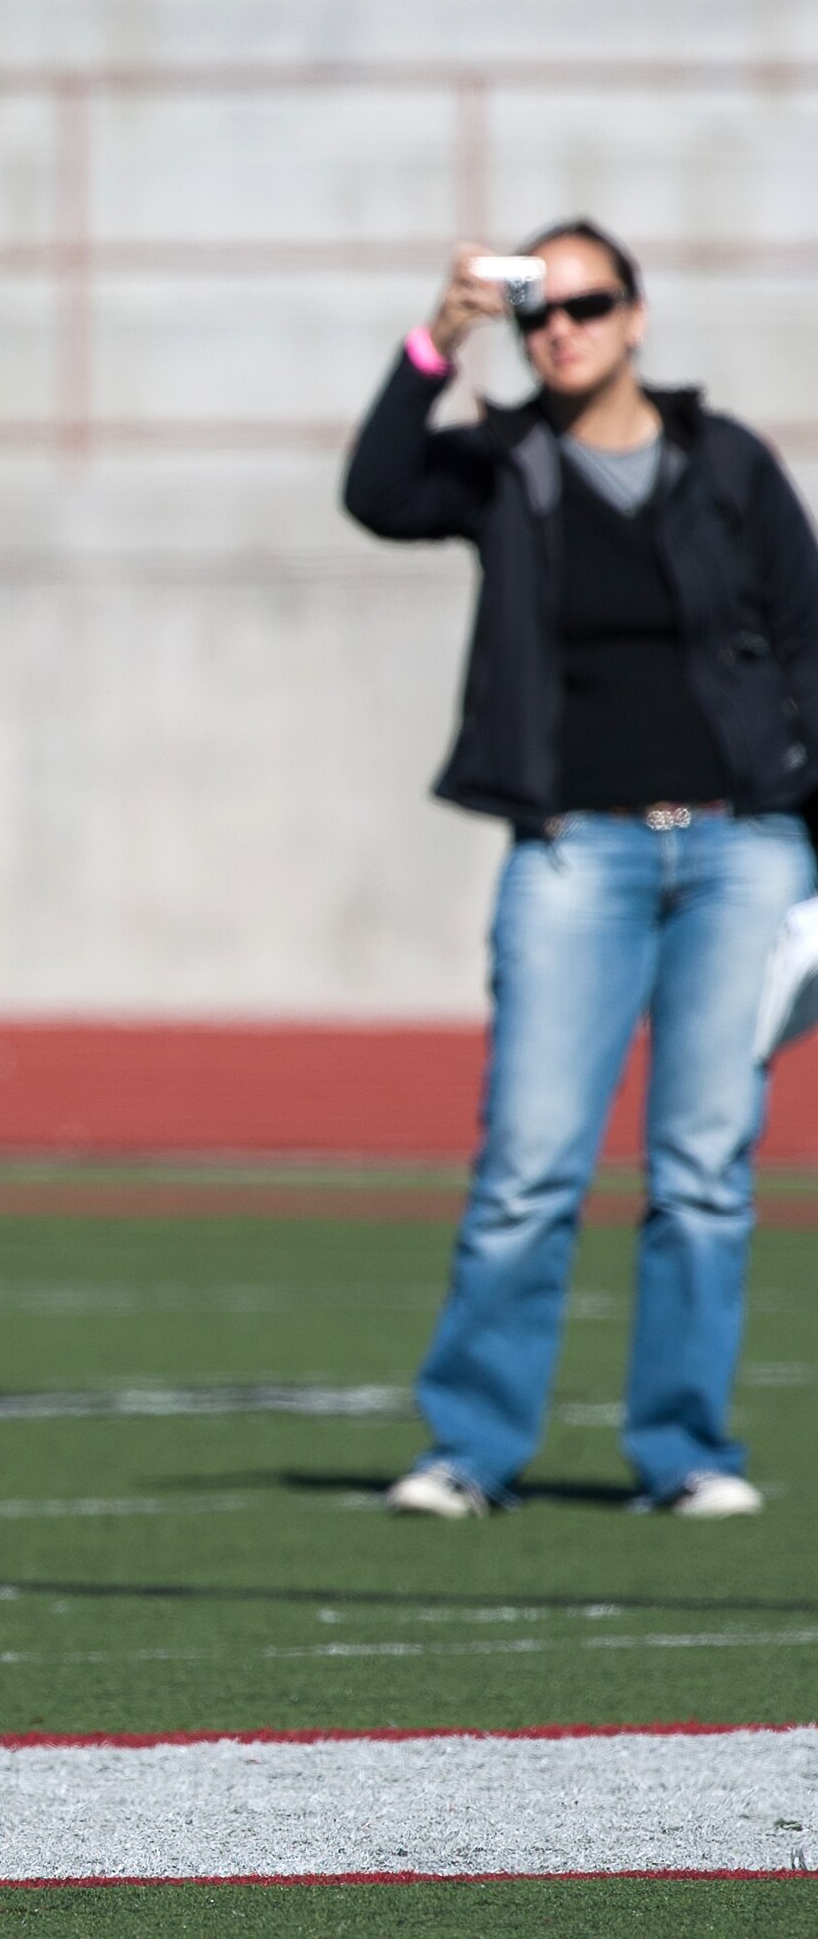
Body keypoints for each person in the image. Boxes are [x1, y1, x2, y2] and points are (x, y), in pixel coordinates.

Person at [344, 221, 818, 1520]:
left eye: (588, 303)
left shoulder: (726, 461)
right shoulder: (505, 461)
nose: (563, 328)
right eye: (538, 309)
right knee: (531, 1164)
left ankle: (685, 1451)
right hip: (574, 849)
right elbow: (379, 493)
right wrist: (438, 340)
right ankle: (472, 1449)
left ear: (637, 315)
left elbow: (807, 641)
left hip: (743, 847)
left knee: (707, 1168)